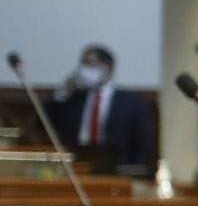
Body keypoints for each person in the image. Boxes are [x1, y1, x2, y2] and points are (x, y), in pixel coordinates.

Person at [42, 44, 153, 173]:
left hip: (116, 167)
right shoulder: (74, 99)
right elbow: (46, 124)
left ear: (108, 68)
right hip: (76, 163)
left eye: (92, 64)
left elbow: (142, 143)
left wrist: (135, 172)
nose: (85, 70)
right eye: (83, 64)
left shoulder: (130, 103)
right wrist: (60, 95)